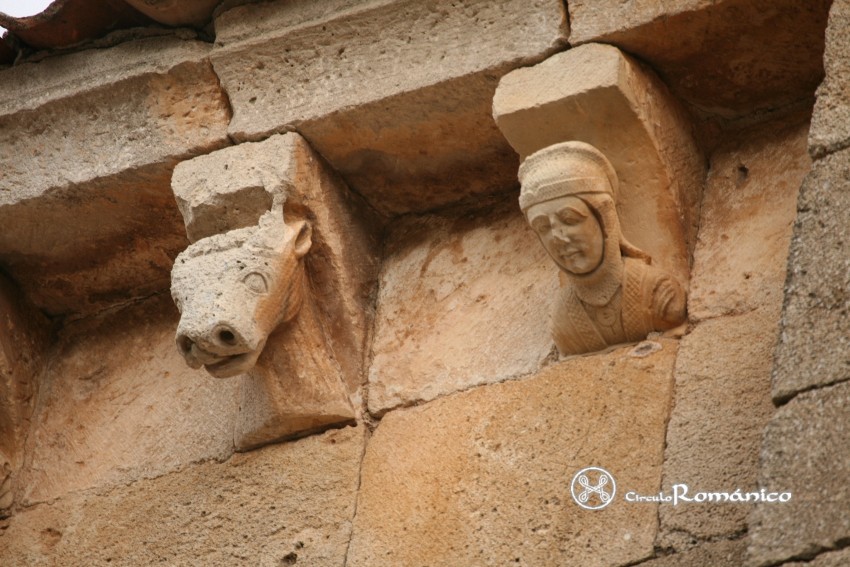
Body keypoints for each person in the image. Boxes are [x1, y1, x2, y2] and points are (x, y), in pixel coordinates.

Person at [519, 141, 686, 356]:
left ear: (605, 220)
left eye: (569, 219)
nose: (558, 238)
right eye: (543, 227)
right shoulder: (563, 320)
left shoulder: (659, 292)